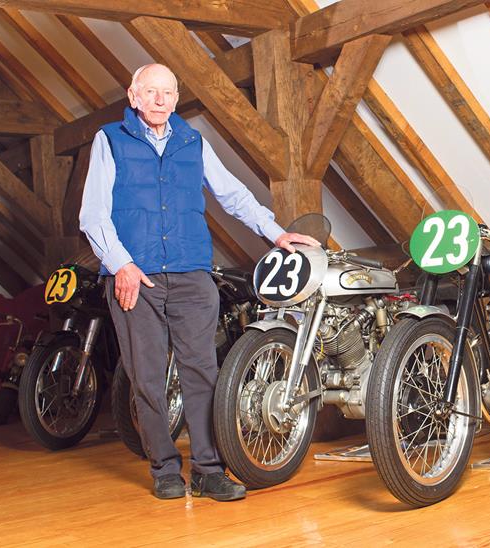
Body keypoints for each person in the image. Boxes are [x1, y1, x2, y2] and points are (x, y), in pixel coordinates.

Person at [79, 64, 320, 501]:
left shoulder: (192, 141)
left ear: (176, 97)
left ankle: (209, 469)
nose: (159, 100)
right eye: (150, 92)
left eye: (167, 93)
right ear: (133, 96)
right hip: (137, 278)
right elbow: (93, 214)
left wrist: (276, 232)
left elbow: (231, 194)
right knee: (148, 379)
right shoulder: (109, 140)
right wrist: (121, 265)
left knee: (203, 374)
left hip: (192, 274)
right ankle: (165, 467)